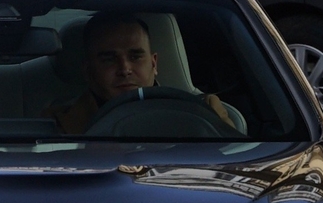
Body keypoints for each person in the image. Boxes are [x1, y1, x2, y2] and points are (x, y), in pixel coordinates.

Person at [42, 12, 238, 134]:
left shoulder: (203, 112)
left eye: (135, 56)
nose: (125, 69)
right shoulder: (57, 123)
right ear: (88, 70)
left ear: (153, 63)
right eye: (109, 59)